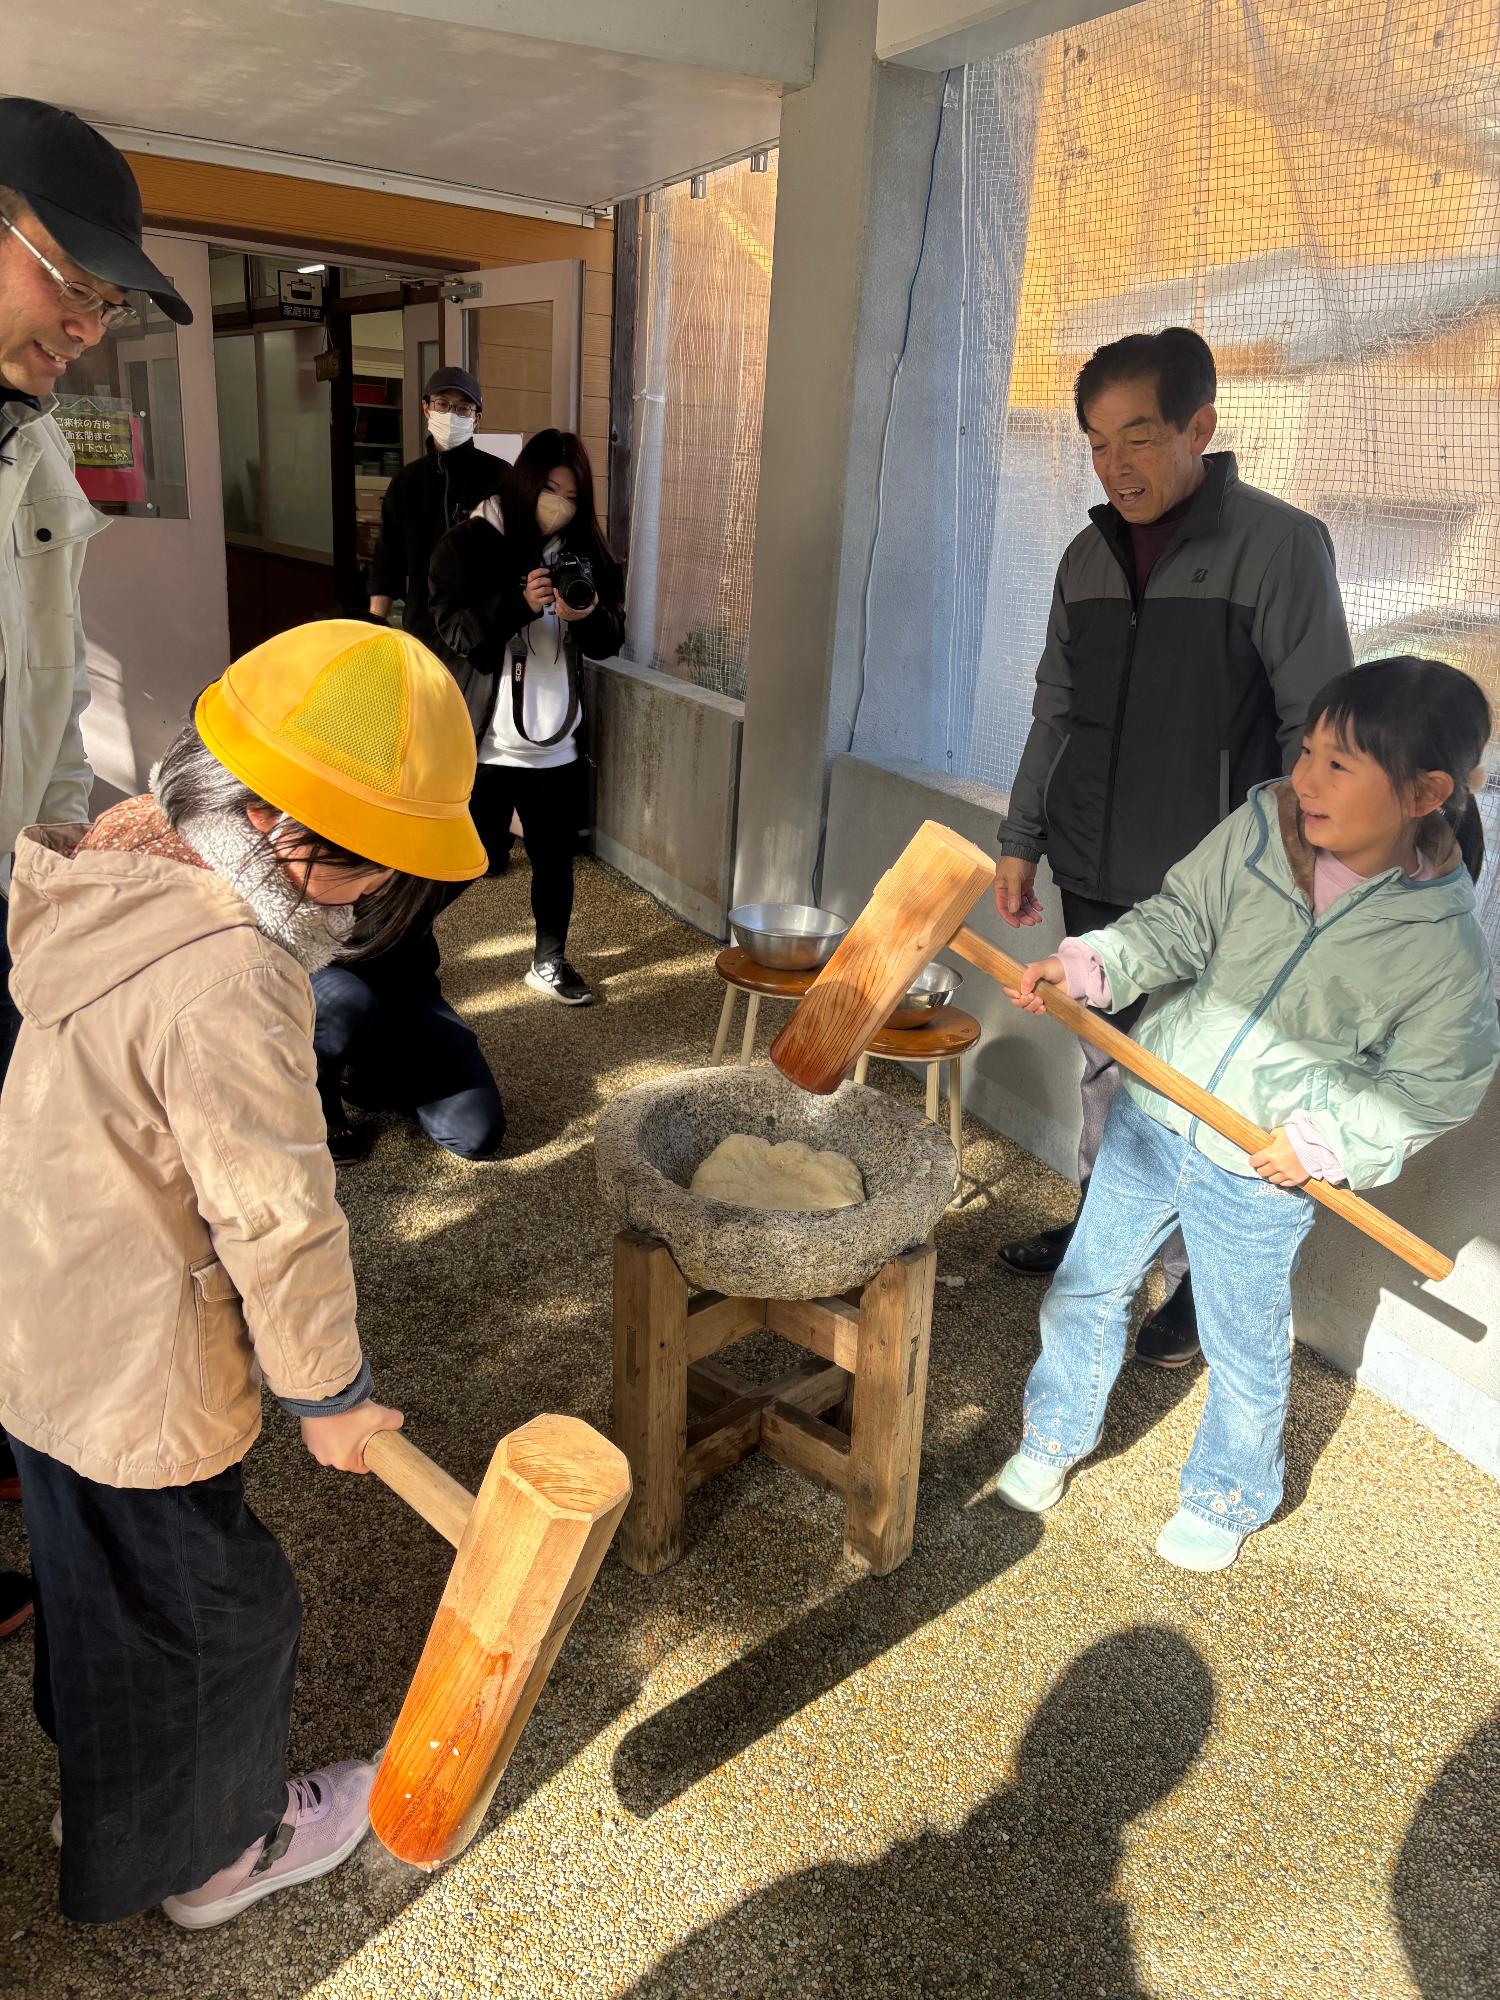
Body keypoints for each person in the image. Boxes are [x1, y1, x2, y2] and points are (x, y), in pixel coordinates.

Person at [0, 621, 485, 1926]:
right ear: (289, 833)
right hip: (135, 1367)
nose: (384, 898)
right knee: (220, 1616)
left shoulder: (114, 875)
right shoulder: (231, 969)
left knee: (98, 1593)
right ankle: (216, 1858)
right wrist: (332, 1394)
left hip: (45, 1329)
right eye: (382, 865)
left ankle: (114, 1800)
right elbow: (276, 1208)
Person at [992, 657, 1499, 1573]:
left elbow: (1436, 1083)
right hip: (1153, 1112)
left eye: (1338, 765)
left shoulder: (1442, 945)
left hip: (1261, 1169)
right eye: (1308, 751)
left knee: (1243, 1343)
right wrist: (1090, 966)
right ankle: (1053, 1435)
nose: (1304, 780)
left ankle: (1228, 1493)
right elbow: (1178, 921)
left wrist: (1324, 1141)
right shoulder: (1265, 827)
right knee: (1086, 1288)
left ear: (1424, 791)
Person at [992, 327, 1353, 1369]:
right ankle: (1105, 1226)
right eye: (1098, 443)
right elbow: (1052, 709)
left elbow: (1317, 733)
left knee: (1210, 1089)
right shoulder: (1086, 555)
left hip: (1215, 897)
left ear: (1202, 425)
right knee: (1105, 1068)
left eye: (1139, 437)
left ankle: (1197, 1284)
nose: (1116, 466)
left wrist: (1299, 885)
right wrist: (1021, 839)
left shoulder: (1279, 547)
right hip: (1092, 869)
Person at [0, 96, 193, 1638]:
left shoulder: (35, 454)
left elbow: (51, 698)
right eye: (72, 280)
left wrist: (66, 845)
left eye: (106, 303)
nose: (86, 325)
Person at [429, 428, 624, 1005]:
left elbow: (611, 637)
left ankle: (549, 959)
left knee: (554, 861)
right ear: (523, 481)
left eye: (570, 494)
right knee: (460, 860)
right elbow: (455, 634)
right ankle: (399, 945)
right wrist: (518, 602)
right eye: (548, 488)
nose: (558, 503)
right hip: (486, 742)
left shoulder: (584, 550)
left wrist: (583, 614)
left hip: (556, 742)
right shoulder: (470, 544)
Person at [311, 881, 507, 1165]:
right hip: (323, 969)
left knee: (476, 1132)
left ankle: (362, 1075)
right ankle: (321, 1102)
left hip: (404, 982)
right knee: (347, 1002)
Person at [366, 365, 507, 647]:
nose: (452, 415)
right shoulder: (407, 482)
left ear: (476, 418)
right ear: (426, 408)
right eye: (442, 404)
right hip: (422, 629)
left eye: (463, 408)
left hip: (481, 630)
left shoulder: (499, 477)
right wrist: (374, 627)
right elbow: (387, 561)